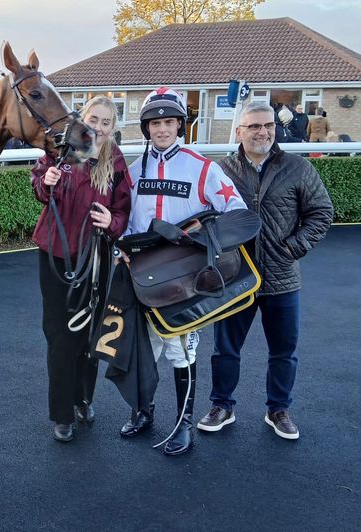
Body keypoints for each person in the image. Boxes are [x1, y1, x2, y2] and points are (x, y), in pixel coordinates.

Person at [118, 87, 247, 456]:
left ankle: (183, 423)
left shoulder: (203, 167)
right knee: (145, 348)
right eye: (155, 123)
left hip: (185, 278)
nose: (162, 129)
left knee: (181, 350)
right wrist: (121, 248)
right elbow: (126, 219)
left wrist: (195, 235)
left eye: (169, 122)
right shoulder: (134, 170)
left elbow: (234, 212)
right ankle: (143, 411)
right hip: (143, 274)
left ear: (180, 125)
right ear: (146, 128)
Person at [197, 102, 333, 441]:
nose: (263, 132)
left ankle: (278, 410)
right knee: (225, 350)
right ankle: (221, 406)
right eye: (255, 126)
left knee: (283, 350)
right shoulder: (220, 171)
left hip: (282, 278)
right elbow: (202, 218)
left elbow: (321, 212)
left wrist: (291, 248)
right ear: (239, 132)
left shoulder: (297, 167)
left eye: (268, 125)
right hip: (235, 278)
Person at [30, 96, 132, 442]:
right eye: (94, 119)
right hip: (55, 254)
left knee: (89, 334)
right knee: (60, 335)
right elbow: (39, 186)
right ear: (82, 119)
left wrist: (112, 222)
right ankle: (61, 413)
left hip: (95, 257)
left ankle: (83, 397)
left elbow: (123, 211)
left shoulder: (115, 161)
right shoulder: (62, 148)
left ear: (113, 126)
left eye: (106, 122)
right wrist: (47, 181)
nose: (99, 127)